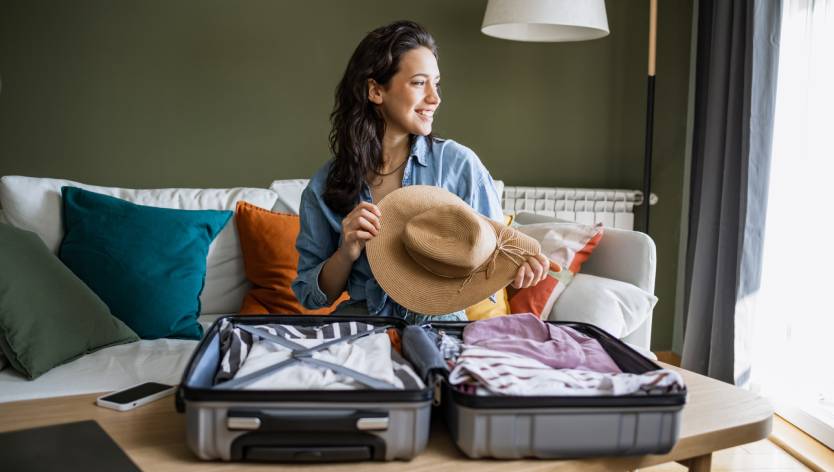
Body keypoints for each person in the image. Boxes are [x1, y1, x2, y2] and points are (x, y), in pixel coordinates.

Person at [292, 20, 549, 324]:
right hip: (360, 329)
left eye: (436, 83)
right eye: (418, 83)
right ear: (375, 90)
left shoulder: (459, 164)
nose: (435, 97)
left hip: (441, 331)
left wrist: (519, 272)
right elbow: (310, 296)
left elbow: (495, 259)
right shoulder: (324, 186)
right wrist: (346, 252)